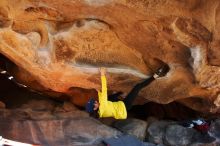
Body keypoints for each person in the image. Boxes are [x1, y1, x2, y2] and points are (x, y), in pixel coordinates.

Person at [86, 65, 170, 119]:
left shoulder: (99, 112)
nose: (96, 101)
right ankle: (155, 76)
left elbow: (102, 99)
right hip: (124, 106)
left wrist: (98, 92)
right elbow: (104, 90)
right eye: (95, 103)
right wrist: (102, 75)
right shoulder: (103, 106)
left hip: (117, 107)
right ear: (95, 108)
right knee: (137, 87)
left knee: (109, 98)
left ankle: (120, 93)